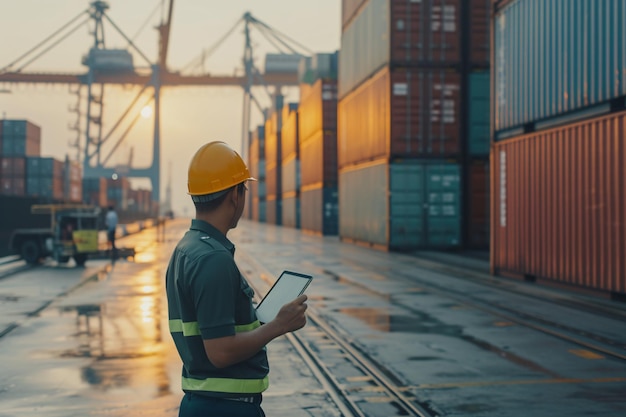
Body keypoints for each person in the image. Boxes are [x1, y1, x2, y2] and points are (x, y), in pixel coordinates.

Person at [166, 141, 308, 417]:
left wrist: (257, 319)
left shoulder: (187, 248)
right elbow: (220, 352)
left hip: (205, 403)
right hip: (225, 409)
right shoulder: (213, 259)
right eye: (243, 188)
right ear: (235, 194)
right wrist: (279, 324)